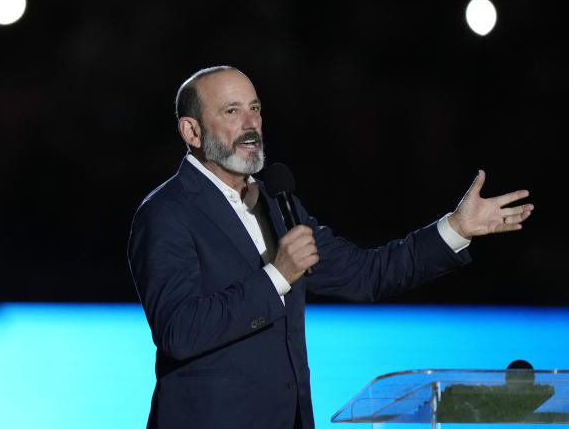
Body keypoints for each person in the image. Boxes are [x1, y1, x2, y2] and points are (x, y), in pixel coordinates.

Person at [127, 66, 533, 429]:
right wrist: (278, 275)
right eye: (231, 112)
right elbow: (180, 331)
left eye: (255, 108)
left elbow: (365, 275)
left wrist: (455, 229)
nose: (252, 124)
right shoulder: (166, 213)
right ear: (191, 131)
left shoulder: (276, 204)